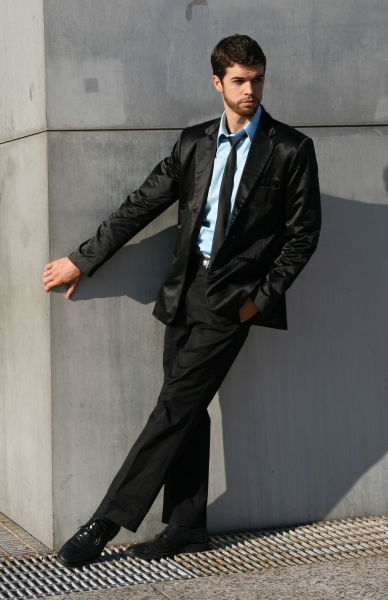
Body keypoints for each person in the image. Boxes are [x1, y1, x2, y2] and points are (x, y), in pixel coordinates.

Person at [43, 34, 321, 567]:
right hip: (183, 292)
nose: (250, 90)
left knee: (172, 407)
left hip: (232, 302)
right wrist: (85, 258)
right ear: (217, 82)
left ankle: (104, 523)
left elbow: (302, 235)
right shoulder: (195, 143)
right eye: (239, 80)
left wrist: (257, 301)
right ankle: (189, 526)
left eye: (257, 79)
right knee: (187, 408)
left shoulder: (289, 148)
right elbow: (142, 203)